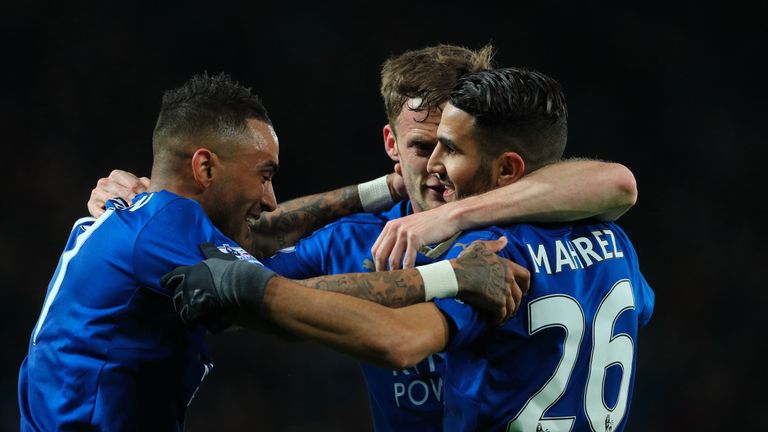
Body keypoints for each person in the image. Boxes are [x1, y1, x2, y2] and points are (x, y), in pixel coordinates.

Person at [87, 44, 639, 431]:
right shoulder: (350, 239)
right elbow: (228, 284)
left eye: (453, 146)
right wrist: (148, 204)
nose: (437, 169)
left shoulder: (505, 242)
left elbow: (618, 181)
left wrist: (449, 223)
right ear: (392, 145)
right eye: (425, 148)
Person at [18, 72, 523, 431]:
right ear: (205, 167)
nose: (269, 197)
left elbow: (260, 240)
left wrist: (388, 187)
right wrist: (453, 278)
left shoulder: (152, 220)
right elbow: (279, 297)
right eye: (265, 174)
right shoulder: (160, 226)